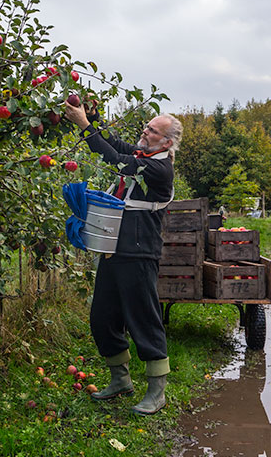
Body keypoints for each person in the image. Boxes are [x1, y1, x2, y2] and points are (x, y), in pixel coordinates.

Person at [63, 100, 182, 415]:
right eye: (147, 126)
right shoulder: (144, 155)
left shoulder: (159, 168)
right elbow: (115, 144)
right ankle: (121, 380)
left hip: (139, 253)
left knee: (143, 319)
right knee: (102, 317)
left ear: (167, 142)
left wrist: (83, 126)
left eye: (153, 131)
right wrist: (92, 117)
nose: (145, 131)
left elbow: (115, 158)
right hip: (113, 248)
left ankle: (157, 391)